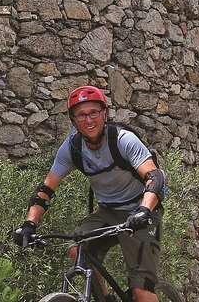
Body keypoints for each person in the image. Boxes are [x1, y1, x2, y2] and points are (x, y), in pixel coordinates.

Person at [13, 85, 167, 302]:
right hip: (107, 211)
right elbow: (45, 190)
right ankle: (104, 299)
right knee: (77, 250)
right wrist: (29, 224)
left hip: (142, 210)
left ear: (104, 113)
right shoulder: (72, 148)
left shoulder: (123, 139)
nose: (89, 120)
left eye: (94, 112)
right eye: (81, 115)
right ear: (73, 120)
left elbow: (155, 178)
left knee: (141, 290)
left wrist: (143, 211)